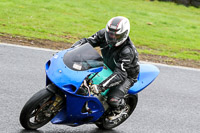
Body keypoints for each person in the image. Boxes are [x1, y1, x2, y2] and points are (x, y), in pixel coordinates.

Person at [72, 16, 140, 116]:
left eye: (116, 36)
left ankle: (119, 108)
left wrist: (101, 87)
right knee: (78, 71)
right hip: (106, 63)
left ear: (124, 34)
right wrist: (70, 50)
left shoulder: (127, 51)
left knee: (113, 100)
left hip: (126, 75)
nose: (112, 37)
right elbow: (87, 42)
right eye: (110, 34)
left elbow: (120, 74)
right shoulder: (103, 34)